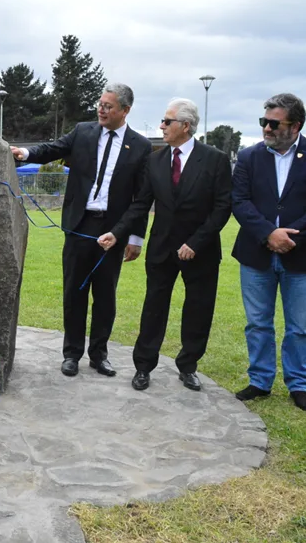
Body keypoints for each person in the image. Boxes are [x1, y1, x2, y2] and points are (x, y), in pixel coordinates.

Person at [10, 83, 152, 377]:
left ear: (125, 111)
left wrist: (133, 237)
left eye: (109, 106)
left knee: (105, 296)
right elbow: (53, 149)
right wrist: (23, 152)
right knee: (74, 292)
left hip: (113, 231)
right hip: (79, 226)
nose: (101, 109)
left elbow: (141, 198)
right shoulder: (83, 131)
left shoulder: (140, 146)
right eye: (100, 103)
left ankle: (99, 355)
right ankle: (71, 353)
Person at [97, 98, 232, 391]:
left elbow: (222, 208)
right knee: (154, 308)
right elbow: (141, 204)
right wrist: (117, 233)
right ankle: (143, 367)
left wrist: (195, 243)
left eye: (166, 121)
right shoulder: (155, 160)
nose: (161, 126)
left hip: (201, 251)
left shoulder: (215, 159)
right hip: (161, 249)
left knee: (198, 309)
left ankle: (188, 366)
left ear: (185, 126)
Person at [231, 93, 306, 411]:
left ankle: (299, 385)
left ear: (296, 126)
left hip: (301, 255)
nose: (266, 128)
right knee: (257, 323)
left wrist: (291, 236)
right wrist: (268, 233)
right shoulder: (249, 157)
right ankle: (260, 381)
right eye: (263, 121)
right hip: (256, 254)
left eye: (273, 123)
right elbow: (240, 201)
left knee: (300, 326)